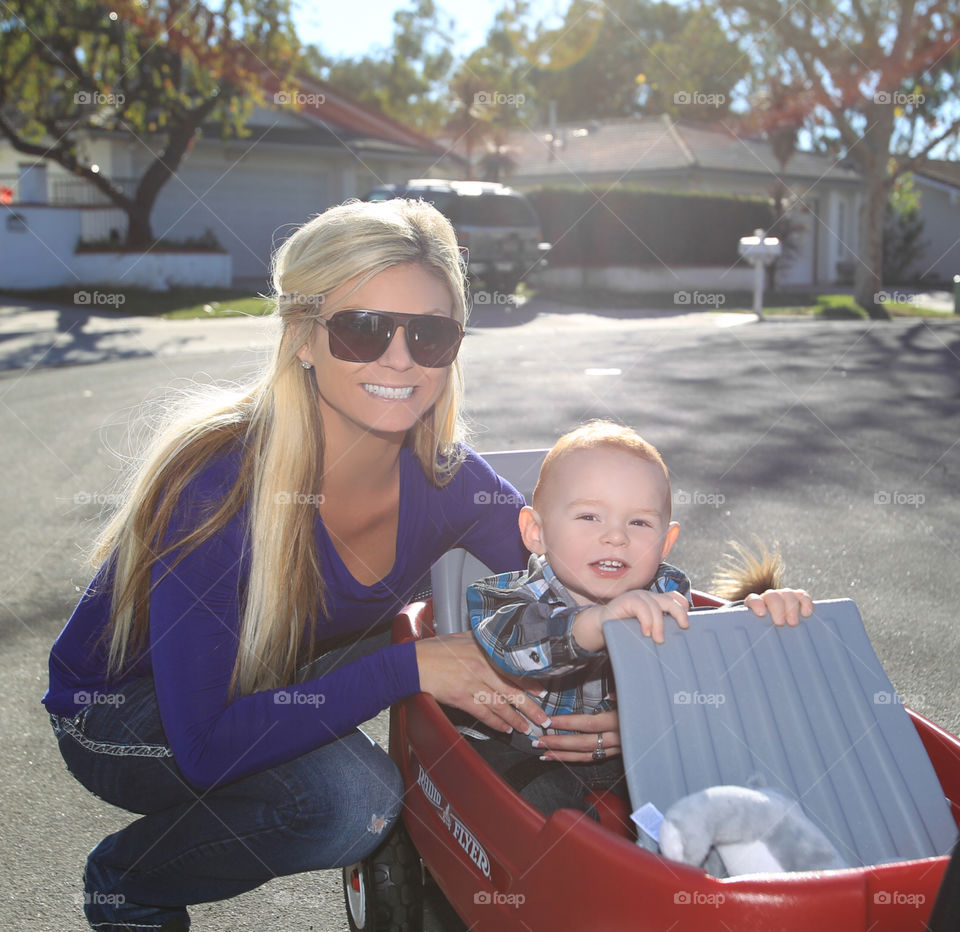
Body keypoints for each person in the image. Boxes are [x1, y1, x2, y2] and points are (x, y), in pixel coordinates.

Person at [42, 198, 569, 932]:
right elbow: (203, 749)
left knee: (488, 634)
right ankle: (129, 881)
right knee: (350, 803)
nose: (399, 359)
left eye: (429, 333)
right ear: (302, 337)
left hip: (276, 666)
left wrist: (625, 675)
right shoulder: (214, 488)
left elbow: (565, 593)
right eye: (362, 328)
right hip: (132, 712)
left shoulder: (452, 478)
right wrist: (412, 669)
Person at [467, 420, 813, 818]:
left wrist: (759, 621)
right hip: (523, 750)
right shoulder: (505, 599)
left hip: (632, 748)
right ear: (535, 532)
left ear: (666, 542)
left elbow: (701, 655)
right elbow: (518, 647)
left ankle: (689, 856)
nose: (616, 536)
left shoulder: (665, 594)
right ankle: (582, 863)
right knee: (537, 804)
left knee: (714, 778)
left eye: (639, 522)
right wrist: (597, 623)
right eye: (589, 517)